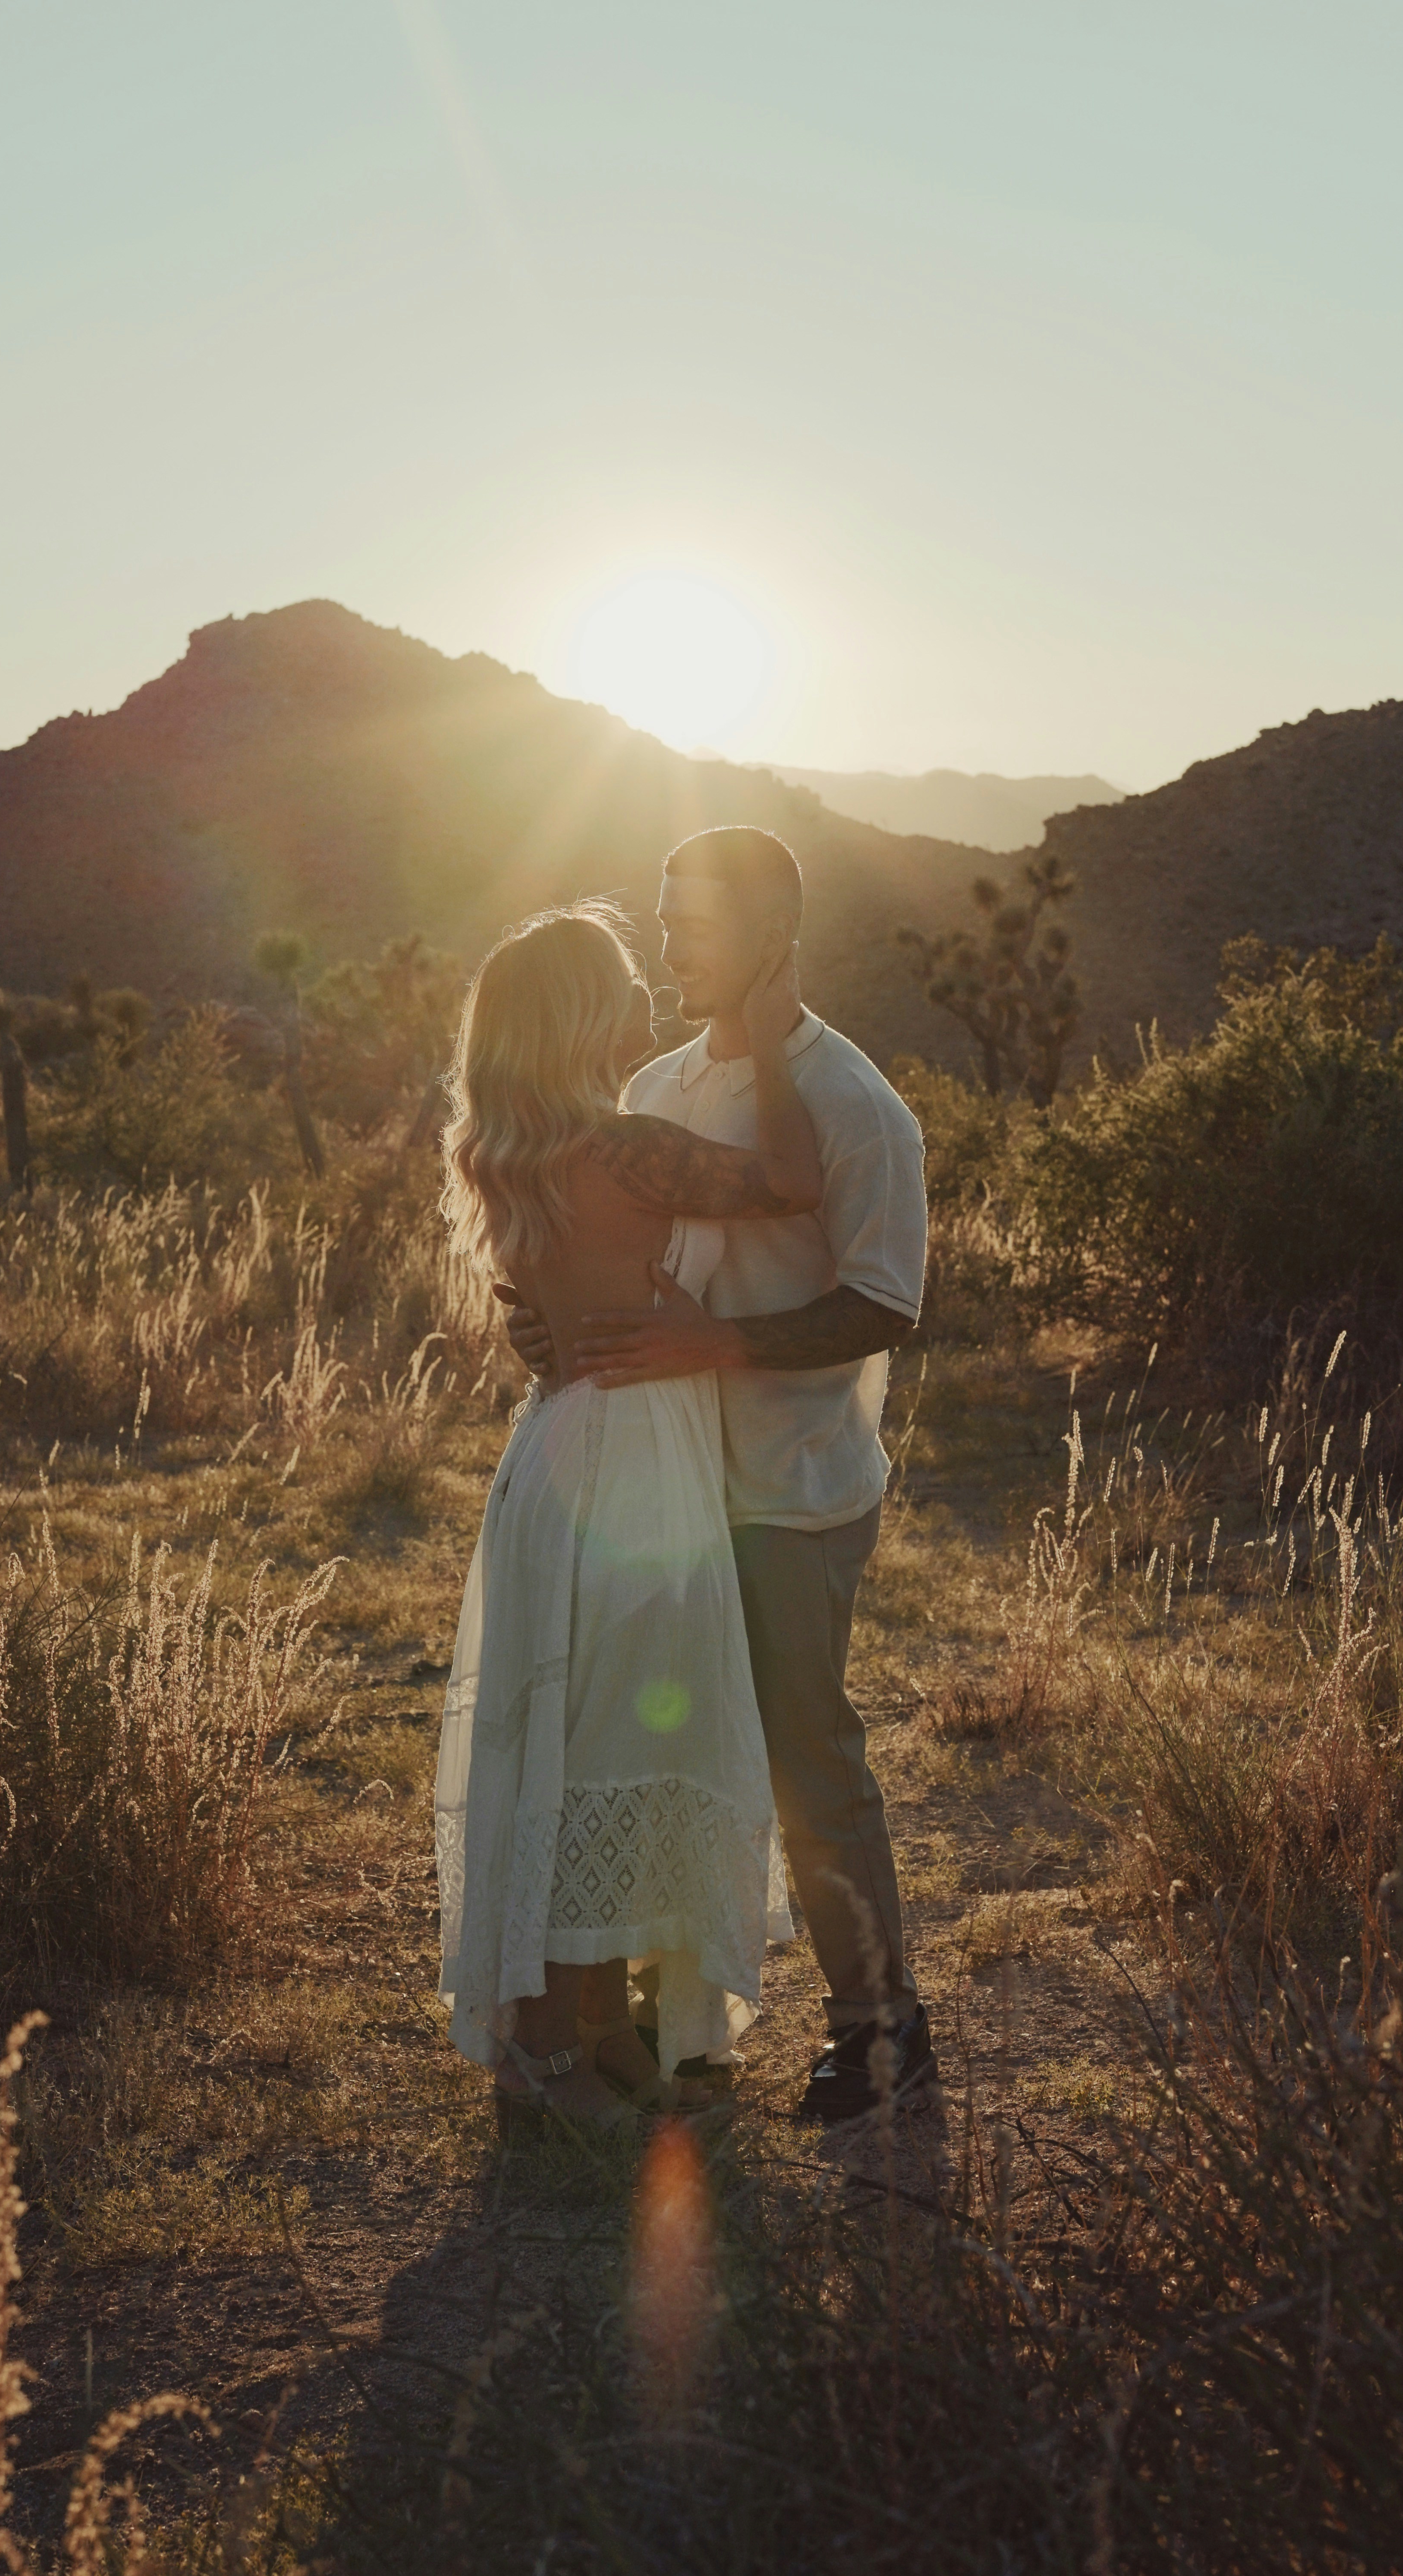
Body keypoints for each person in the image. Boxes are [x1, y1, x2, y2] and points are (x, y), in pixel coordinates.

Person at [502, 827, 935, 2121]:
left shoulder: (857, 1107)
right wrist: (543, 1325)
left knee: (808, 1759)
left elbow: (886, 1302)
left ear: (772, 940)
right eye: (664, 913)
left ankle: (879, 2028)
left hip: (789, 1491)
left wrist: (720, 1342)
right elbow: (597, 1235)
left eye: (694, 922)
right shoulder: (659, 1083)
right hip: (658, 1492)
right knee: (661, 1758)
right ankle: (666, 2024)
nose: (672, 942)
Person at [434, 898, 819, 2132]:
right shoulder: (632, 1150)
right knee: (615, 1744)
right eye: (619, 982)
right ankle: (560, 2061)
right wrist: (768, 1040)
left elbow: (533, 1309)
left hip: (552, 1459)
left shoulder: (501, 1155)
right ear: (585, 1017)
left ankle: (588, 2047)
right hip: (639, 1463)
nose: (644, 1000)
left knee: (560, 1736)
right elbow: (798, 1183)